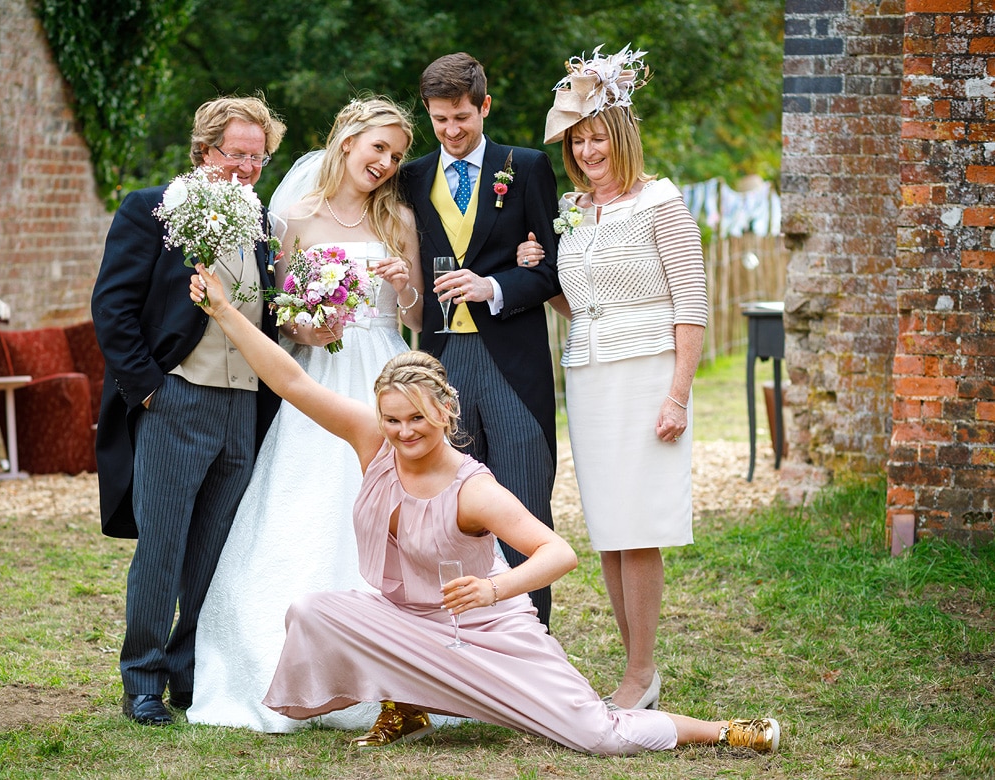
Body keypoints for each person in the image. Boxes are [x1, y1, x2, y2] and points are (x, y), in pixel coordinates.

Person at [185, 264, 780, 756]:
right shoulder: (373, 441)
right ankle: (407, 702)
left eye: (417, 418)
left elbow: (559, 552)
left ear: (445, 411)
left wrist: (495, 591)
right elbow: (291, 380)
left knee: (596, 734)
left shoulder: (472, 488)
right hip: (405, 622)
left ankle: (729, 731)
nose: (403, 432)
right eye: (393, 420)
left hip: (485, 632)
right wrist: (222, 309)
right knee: (312, 609)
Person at [187, 97, 425, 732]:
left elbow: (419, 319)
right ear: (347, 140)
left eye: (396, 156)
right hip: (317, 376)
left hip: (383, 374)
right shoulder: (290, 217)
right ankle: (273, 663)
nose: (385, 162)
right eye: (378, 147)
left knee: (386, 512)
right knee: (303, 501)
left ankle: (390, 675)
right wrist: (310, 324)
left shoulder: (398, 217)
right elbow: (282, 318)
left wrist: (403, 286)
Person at [516, 44, 708, 711]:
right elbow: (576, 298)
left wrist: (678, 395)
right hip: (589, 375)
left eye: (598, 138)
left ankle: (640, 670)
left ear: (620, 136)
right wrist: (540, 268)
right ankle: (638, 674)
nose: (588, 151)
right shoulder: (572, 210)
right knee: (607, 528)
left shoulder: (661, 202)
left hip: (650, 370)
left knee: (639, 524)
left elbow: (692, 304)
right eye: (578, 141)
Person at [91, 95, 286, 726]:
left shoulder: (261, 225)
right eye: (237, 154)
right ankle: (142, 679)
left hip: (245, 409)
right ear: (204, 150)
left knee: (216, 551)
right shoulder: (150, 208)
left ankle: (189, 672)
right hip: (177, 399)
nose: (248, 169)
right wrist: (150, 388)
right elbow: (112, 308)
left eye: (258, 158)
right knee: (164, 546)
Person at [400, 52, 562, 629]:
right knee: (448, 514)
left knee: (522, 505)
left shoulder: (528, 167)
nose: (452, 130)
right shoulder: (411, 179)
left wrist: (494, 283)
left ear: (484, 106)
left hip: (513, 364)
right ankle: (458, 653)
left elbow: (552, 271)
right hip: (441, 364)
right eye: (441, 120)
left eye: (462, 117)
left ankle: (534, 648)